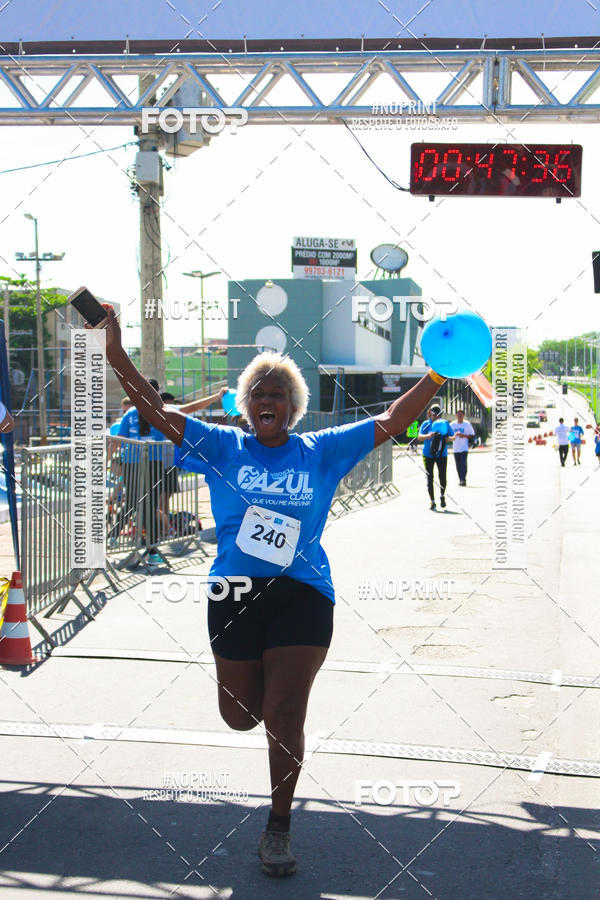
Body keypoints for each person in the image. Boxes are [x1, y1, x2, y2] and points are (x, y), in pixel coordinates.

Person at [96, 302, 447, 878]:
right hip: (234, 593)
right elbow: (153, 411)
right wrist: (115, 354)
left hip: (303, 594)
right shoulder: (221, 446)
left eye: (279, 393)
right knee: (240, 716)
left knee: (285, 714)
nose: (268, 399)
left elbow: (391, 420)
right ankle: (259, 714)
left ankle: (278, 826)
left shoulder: (322, 451)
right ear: (245, 403)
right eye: (258, 391)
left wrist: (436, 375)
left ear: (292, 407)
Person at [418, 404, 454, 510]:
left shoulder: (445, 423)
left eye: (437, 415)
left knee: (442, 476)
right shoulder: (425, 424)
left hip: (441, 454)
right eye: (433, 414)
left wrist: (450, 439)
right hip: (428, 454)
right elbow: (419, 437)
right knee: (429, 478)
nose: (435, 417)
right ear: (430, 413)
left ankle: (442, 496)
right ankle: (432, 501)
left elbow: (450, 436)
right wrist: (430, 435)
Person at [450, 409, 475, 486]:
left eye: (461, 414)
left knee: (463, 464)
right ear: (456, 415)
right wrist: (454, 436)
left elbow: (472, 435)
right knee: (458, 465)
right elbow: (448, 435)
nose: (459, 416)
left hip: (464, 447)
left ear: (463, 415)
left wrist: (463, 435)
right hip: (456, 448)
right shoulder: (452, 424)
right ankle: (460, 478)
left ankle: (463, 479)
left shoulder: (467, 424)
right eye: (458, 414)